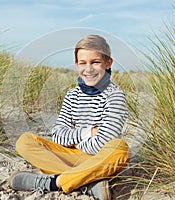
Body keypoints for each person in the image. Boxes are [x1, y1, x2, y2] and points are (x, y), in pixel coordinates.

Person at [8, 35, 130, 200]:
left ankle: (54, 182)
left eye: (95, 62)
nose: (89, 69)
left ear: (108, 63)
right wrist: (88, 132)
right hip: (71, 156)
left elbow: (103, 144)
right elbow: (58, 136)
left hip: (100, 160)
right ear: (76, 65)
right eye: (82, 63)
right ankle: (87, 183)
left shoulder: (115, 96)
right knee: (25, 141)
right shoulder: (72, 95)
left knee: (119, 149)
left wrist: (74, 139)